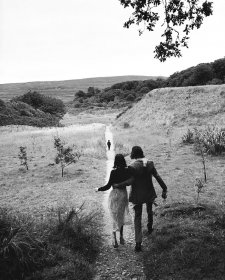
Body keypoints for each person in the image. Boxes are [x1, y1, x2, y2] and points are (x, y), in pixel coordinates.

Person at [113, 146, 167, 252]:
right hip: (148, 192)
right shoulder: (150, 163)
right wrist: (164, 188)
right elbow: (157, 176)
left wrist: (118, 184)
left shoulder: (132, 166)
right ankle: (150, 227)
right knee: (149, 210)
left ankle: (138, 242)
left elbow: (130, 181)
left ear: (133, 154)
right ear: (142, 153)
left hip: (137, 195)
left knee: (137, 217)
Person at [96, 154, 133, 248]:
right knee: (121, 216)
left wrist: (98, 189)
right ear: (124, 161)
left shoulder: (113, 172)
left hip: (115, 195)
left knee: (114, 217)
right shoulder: (127, 170)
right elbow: (129, 183)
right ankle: (121, 237)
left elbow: (108, 186)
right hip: (123, 195)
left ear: (115, 161)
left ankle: (114, 239)